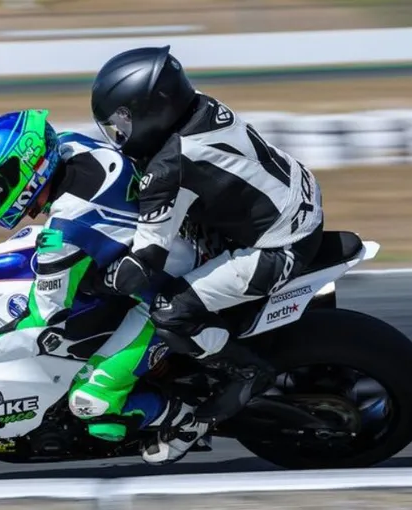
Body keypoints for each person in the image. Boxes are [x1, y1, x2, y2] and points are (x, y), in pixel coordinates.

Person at [89, 45, 325, 464]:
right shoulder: (199, 107)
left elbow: (145, 260)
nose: (118, 132)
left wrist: (99, 280)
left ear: (153, 108)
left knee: (169, 311)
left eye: (123, 121)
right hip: (293, 197)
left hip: (278, 245)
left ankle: (246, 374)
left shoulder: (169, 168)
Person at [0, 109, 204, 450]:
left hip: (168, 294)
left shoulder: (65, 234)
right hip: (169, 250)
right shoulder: (70, 147)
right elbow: (28, 196)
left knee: (92, 404)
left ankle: (188, 420)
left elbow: (38, 329)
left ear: (26, 171)